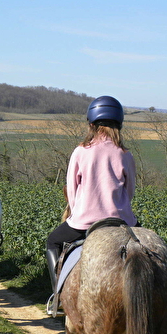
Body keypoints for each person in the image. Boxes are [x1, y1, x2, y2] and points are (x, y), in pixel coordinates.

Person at [45, 95, 139, 314]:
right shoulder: (125, 155)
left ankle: (57, 295)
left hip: (84, 222)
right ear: (120, 124)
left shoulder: (80, 151)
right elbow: (130, 191)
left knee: (52, 242)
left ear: (92, 124)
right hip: (120, 222)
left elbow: (72, 190)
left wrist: (78, 211)